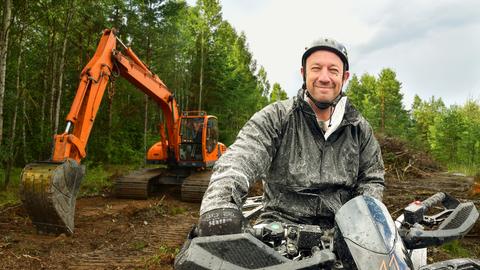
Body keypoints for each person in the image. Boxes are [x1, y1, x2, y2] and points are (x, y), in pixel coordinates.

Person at [197, 38, 385, 236]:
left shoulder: (359, 128)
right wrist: (219, 204)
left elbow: (372, 178)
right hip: (280, 231)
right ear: (303, 73)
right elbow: (241, 158)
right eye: (316, 68)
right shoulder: (276, 117)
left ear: (344, 77)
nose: (324, 77)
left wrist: (362, 223)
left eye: (333, 70)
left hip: (343, 233)